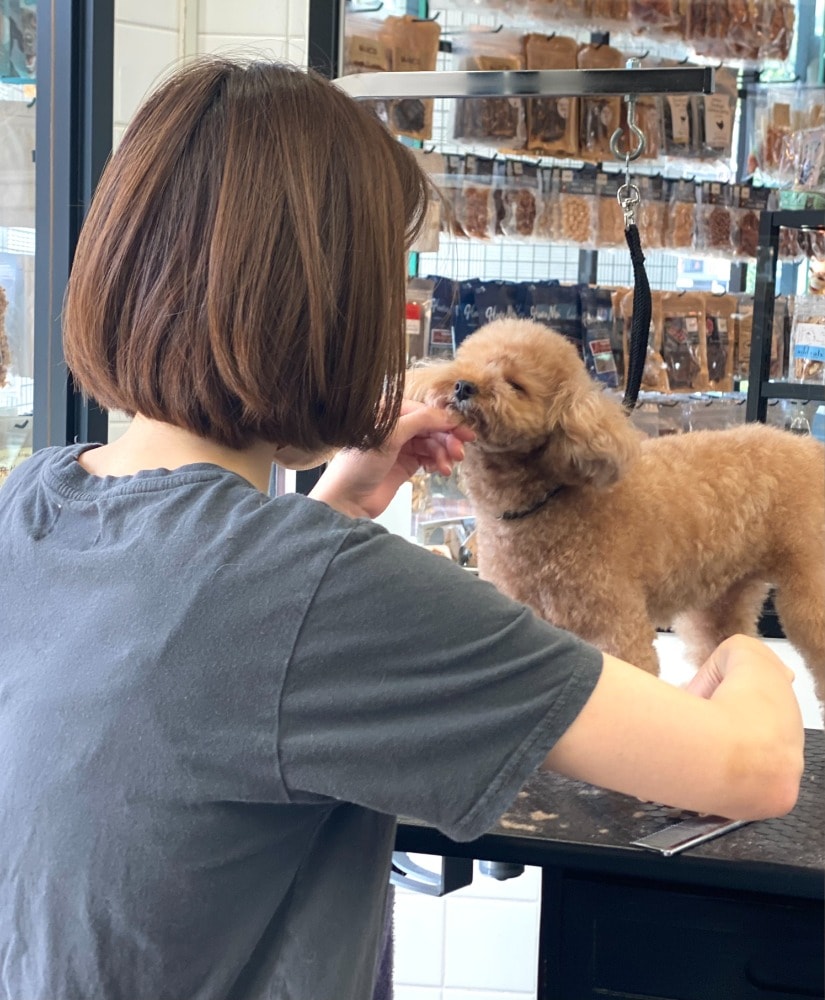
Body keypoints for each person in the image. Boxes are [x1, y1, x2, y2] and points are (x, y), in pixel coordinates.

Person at [0, 57, 804, 1000]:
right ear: (328, 308)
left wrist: (332, 502)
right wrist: (745, 652)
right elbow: (749, 771)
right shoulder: (320, 591)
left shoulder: (37, 501)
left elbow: (204, 667)